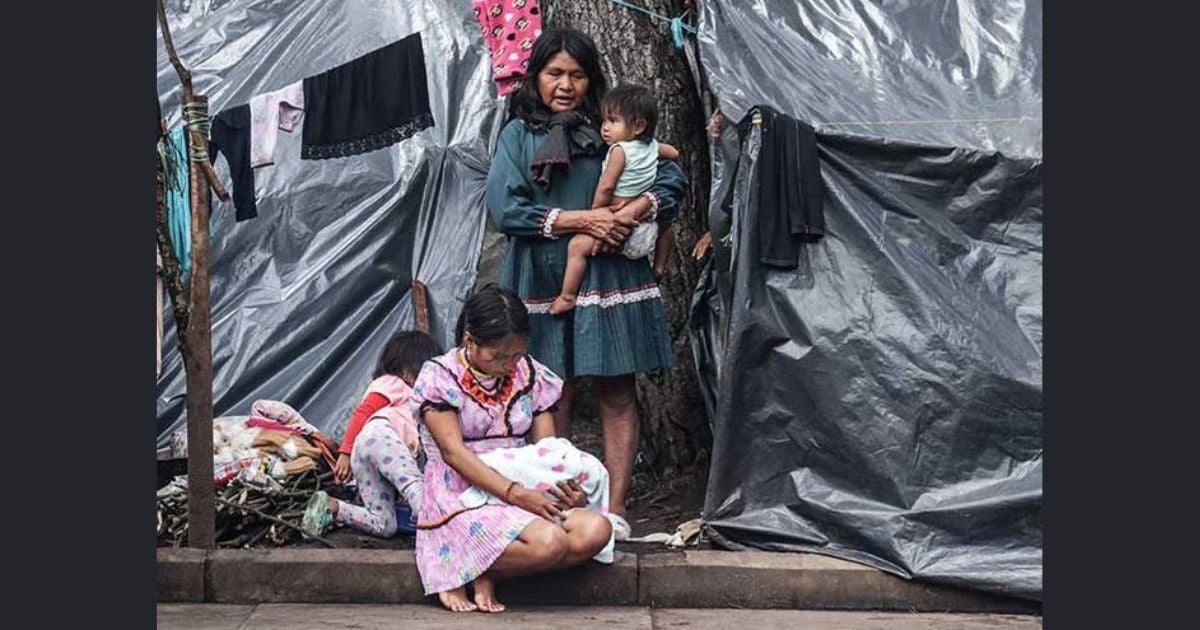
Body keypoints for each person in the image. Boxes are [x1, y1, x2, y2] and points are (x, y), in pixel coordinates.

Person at [486, 26, 688, 542]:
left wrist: (639, 207)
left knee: (617, 391)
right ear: (536, 76)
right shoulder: (518, 136)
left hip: (610, 273)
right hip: (542, 275)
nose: (565, 85)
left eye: (577, 75)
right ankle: (558, 509)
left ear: (591, 79)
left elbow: (671, 178)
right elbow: (505, 209)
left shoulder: (613, 130)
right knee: (552, 396)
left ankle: (615, 512)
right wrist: (586, 221)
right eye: (555, 73)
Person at [412, 285, 613, 613]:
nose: (508, 364)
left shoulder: (529, 374)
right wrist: (515, 494)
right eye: (498, 356)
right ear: (470, 340)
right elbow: (453, 452)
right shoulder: (441, 376)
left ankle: (488, 569)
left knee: (596, 530)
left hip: (523, 482)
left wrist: (565, 489)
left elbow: (546, 452)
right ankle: (474, 569)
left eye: (516, 354)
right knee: (550, 542)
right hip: (462, 487)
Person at [549, 84, 680, 315]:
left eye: (613, 121)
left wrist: (597, 212)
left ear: (638, 125)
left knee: (577, 246)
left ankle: (567, 296)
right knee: (667, 227)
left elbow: (607, 185)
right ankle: (659, 267)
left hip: (620, 226)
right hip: (646, 227)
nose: (605, 128)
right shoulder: (652, 147)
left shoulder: (619, 150)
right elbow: (675, 153)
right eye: (604, 121)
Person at [300, 331, 440, 539]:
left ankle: (333, 508)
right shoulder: (394, 383)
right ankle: (440, 530)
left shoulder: (405, 393)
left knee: (384, 524)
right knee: (413, 486)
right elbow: (363, 412)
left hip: (366, 452)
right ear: (409, 370)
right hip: (381, 437)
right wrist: (344, 452)